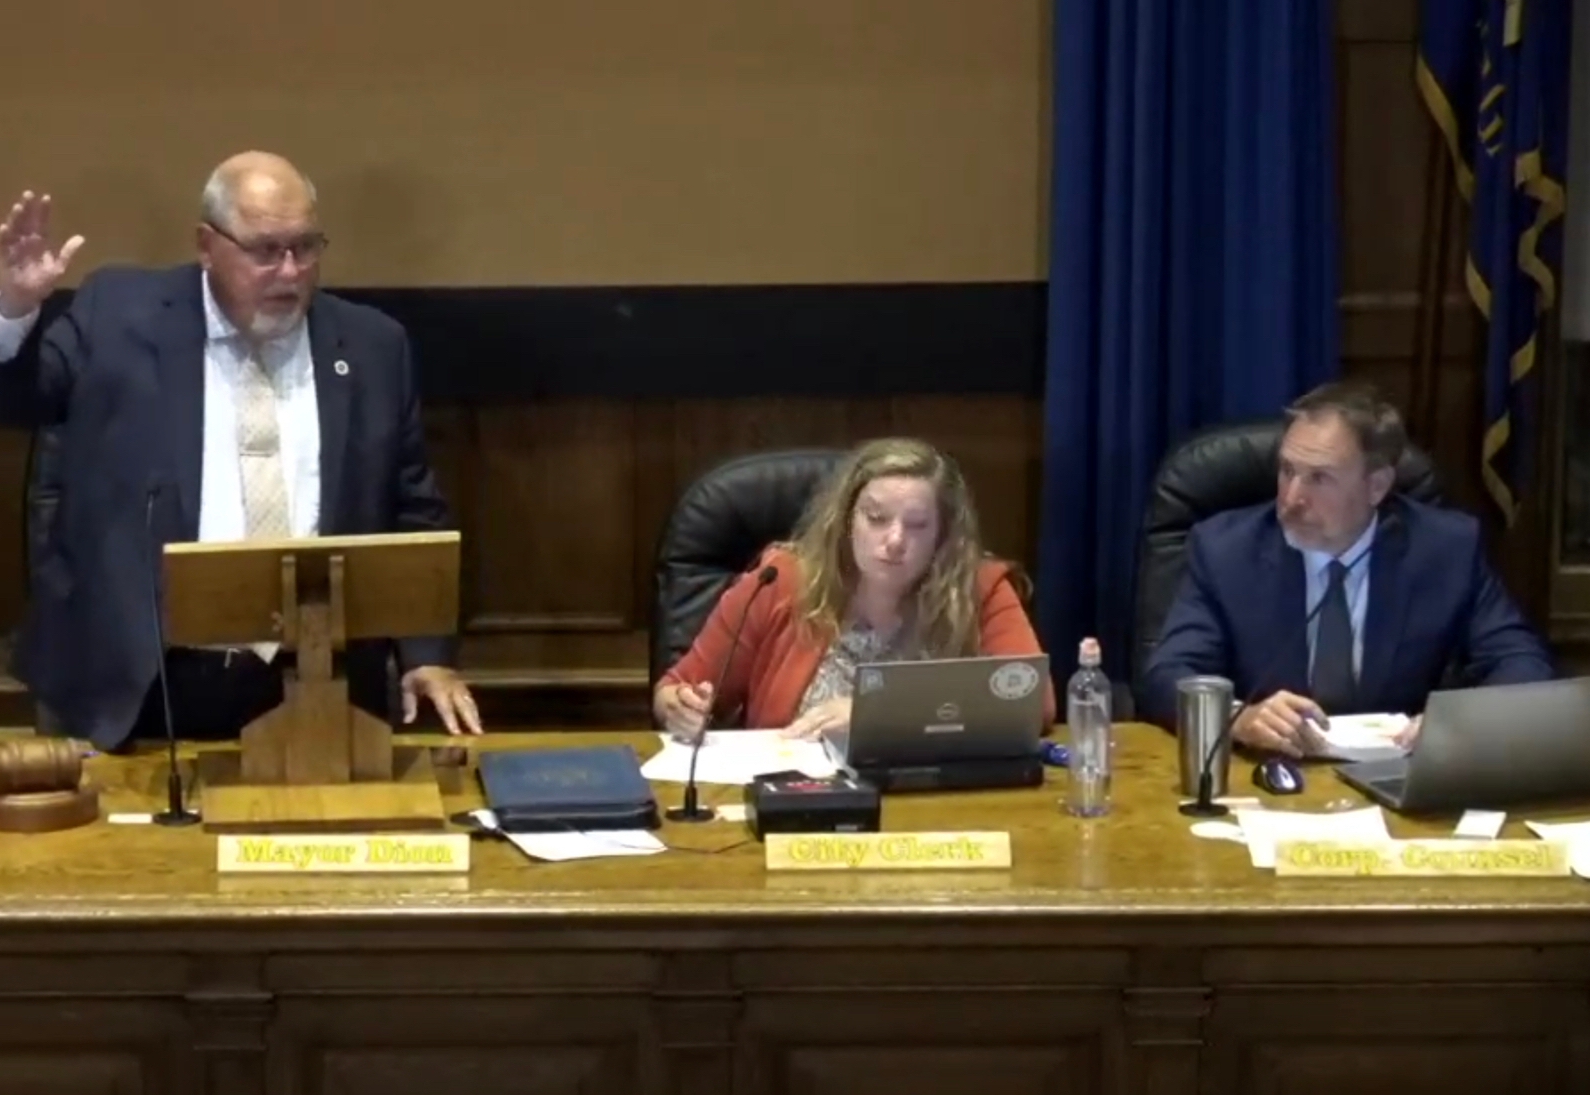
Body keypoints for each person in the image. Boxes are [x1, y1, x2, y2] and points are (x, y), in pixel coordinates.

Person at [0, 150, 479, 752]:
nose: (290, 272)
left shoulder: (372, 346)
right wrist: (18, 310)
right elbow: (12, 403)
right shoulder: (118, 314)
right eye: (265, 251)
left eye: (306, 247)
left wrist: (424, 656)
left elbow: (410, 509)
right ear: (207, 245)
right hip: (146, 685)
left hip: (318, 682)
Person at [1139, 381, 1555, 754]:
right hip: (1270, 777)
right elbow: (1166, 675)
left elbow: (1523, 663)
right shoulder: (1226, 550)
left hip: (1396, 781)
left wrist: (1460, 725)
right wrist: (1238, 718)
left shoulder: (1445, 549)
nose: (1291, 498)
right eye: (1287, 471)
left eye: (1319, 479)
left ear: (1377, 486)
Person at [654, 437, 1053, 741]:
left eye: (916, 525)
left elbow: (1032, 703)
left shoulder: (977, 587)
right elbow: (674, 689)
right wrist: (679, 708)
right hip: (801, 803)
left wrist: (876, 714)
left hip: (931, 806)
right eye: (876, 518)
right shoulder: (781, 580)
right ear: (846, 521)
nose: (894, 540)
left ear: (943, 535)